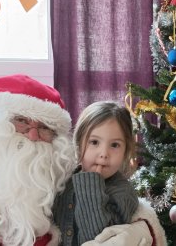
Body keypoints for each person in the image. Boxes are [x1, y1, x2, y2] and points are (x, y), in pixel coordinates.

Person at [0, 75, 167, 246]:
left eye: (44, 127)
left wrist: (144, 230)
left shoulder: (45, 183)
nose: (32, 135)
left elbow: (129, 205)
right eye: (21, 121)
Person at [53, 101, 139, 245]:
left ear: (126, 151)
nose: (104, 154)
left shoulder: (123, 192)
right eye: (94, 142)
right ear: (79, 143)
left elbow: (97, 238)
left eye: (115, 145)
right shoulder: (63, 178)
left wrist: (91, 184)